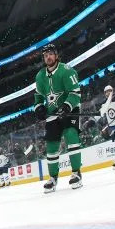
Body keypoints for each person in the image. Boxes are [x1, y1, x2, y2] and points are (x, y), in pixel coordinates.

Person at [34, 43, 83, 193]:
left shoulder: (67, 71)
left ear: (56, 55)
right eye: (45, 55)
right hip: (52, 114)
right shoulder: (40, 75)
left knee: (71, 135)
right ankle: (53, 178)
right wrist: (39, 107)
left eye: (50, 53)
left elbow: (75, 93)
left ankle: (77, 173)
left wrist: (67, 106)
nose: (48, 56)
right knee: (51, 146)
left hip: (69, 110)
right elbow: (38, 96)